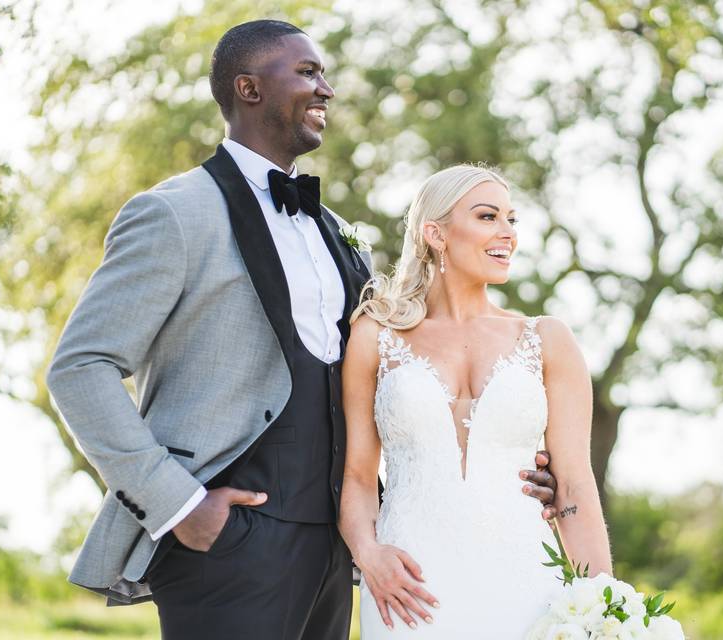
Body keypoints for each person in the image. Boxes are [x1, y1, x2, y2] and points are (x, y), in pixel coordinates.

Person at [47, 19, 559, 640]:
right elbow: (80, 368)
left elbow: (399, 377)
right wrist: (181, 505)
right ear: (249, 88)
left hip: (341, 550)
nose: (327, 90)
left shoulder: (340, 233)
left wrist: (498, 465)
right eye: (308, 73)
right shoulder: (172, 214)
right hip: (225, 541)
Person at [339, 164, 612, 638]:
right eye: (489, 217)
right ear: (436, 234)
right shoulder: (375, 336)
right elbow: (359, 477)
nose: (508, 233)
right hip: (408, 587)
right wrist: (368, 553)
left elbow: (574, 487)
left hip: (526, 583)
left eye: (512, 219)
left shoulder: (548, 340)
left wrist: (606, 610)